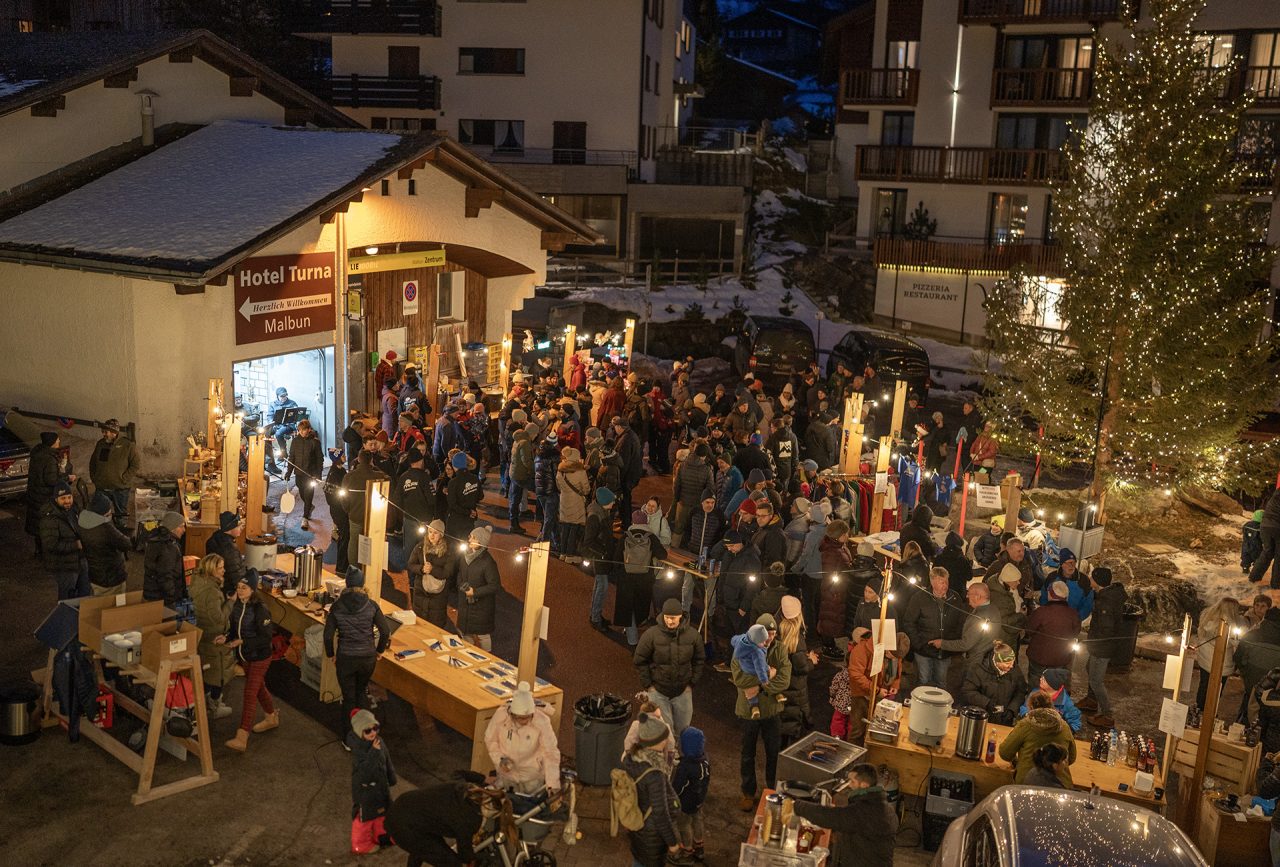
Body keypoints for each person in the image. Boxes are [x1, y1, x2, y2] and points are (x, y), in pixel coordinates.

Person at [732, 613, 791, 810]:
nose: (770, 639)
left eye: (773, 634)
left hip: (772, 710)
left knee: (773, 752)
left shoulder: (780, 649)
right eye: (767, 634)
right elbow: (739, 678)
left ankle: (772, 791)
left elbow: (784, 679)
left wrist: (760, 686)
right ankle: (748, 792)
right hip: (749, 711)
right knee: (747, 752)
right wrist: (768, 676)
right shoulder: (743, 647)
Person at [325, 566, 394, 733]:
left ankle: (349, 737)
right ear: (362, 584)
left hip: (346, 658)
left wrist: (331, 655)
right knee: (361, 692)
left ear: (347, 584)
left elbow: (327, 636)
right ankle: (366, 733)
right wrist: (379, 651)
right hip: (367, 658)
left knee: (348, 697)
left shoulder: (337, 606)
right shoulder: (371, 605)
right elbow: (385, 631)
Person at [792, 763, 898, 867]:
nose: (849, 785)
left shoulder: (865, 811)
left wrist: (796, 805)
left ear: (864, 785)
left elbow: (830, 817)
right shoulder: (883, 806)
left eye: (852, 782)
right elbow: (849, 819)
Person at [621, 713, 688, 867]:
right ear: (656, 741)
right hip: (651, 835)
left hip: (637, 826)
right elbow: (660, 813)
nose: (667, 740)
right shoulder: (655, 773)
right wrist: (672, 843)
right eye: (664, 738)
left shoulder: (632, 758)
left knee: (638, 861)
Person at [220, 570, 276, 752]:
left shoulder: (261, 609)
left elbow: (266, 637)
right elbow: (235, 630)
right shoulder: (238, 605)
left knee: (250, 693)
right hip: (245, 656)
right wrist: (226, 637)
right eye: (238, 587)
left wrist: (243, 642)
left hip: (260, 656)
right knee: (258, 689)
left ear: (252, 590)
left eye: (244, 588)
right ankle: (271, 717)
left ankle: (242, 736)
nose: (240, 591)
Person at [633, 598, 705, 738]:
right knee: (665, 734)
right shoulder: (651, 635)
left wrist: (691, 683)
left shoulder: (693, 636)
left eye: (673, 618)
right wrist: (649, 685)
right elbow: (640, 659)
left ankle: (677, 756)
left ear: (680, 617)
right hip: (659, 691)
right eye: (667, 617)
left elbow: (699, 659)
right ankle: (671, 758)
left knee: (683, 732)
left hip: (683, 691)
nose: (670, 621)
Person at [386, 780, 499, 867]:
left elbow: (458, 773)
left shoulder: (468, 788)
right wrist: (488, 857)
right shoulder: (469, 820)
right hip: (403, 827)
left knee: (425, 848)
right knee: (452, 863)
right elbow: (465, 855)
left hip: (403, 806)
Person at [484, 681, 560, 796]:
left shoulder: (542, 721)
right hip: (507, 776)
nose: (524, 721)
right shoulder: (501, 716)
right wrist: (500, 759)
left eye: (527, 717)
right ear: (512, 714)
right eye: (520, 718)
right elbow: (491, 740)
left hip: (532, 778)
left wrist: (552, 784)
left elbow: (550, 753)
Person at [903, 566, 965, 689]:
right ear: (932, 582)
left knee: (941, 682)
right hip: (923, 651)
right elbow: (909, 622)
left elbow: (960, 622)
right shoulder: (919, 598)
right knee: (923, 680)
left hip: (945, 651)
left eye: (947, 581)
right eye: (941, 582)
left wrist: (950, 642)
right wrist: (919, 644)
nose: (945, 585)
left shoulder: (955, 598)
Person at [1081, 566, 1128, 728]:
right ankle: (1091, 701)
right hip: (1100, 645)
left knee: (1096, 681)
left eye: (1092, 577)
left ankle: (1108, 715)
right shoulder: (1105, 595)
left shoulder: (1106, 603)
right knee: (1089, 668)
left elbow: (1106, 630)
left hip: (1102, 647)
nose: (1089, 579)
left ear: (1098, 581)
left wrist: (1091, 642)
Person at [189, 554, 235, 719]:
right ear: (211, 569)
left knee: (207, 671)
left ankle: (207, 704)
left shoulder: (198, 582)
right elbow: (219, 618)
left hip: (202, 633)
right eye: (221, 567)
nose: (224, 570)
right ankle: (214, 706)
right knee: (218, 674)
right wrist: (230, 602)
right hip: (214, 637)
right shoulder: (212, 592)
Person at [999, 690, 1076, 788]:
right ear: (1051, 706)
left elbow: (1005, 752)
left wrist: (1017, 761)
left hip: (1028, 784)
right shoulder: (1064, 726)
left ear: (1030, 707)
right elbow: (1072, 757)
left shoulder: (1025, 725)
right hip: (1061, 786)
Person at [347, 708, 396, 855]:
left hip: (381, 786)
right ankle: (360, 844)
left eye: (375, 728)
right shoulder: (358, 748)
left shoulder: (379, 741)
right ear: (359, 731)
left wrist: (391, 776)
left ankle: (381, 836)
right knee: (365, 817)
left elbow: (387, 759)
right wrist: (374, 752)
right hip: (365, 790)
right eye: (368, 731)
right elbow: (364, 772)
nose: (373, 733)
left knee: (383, 812)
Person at [848, 628, 909, 744]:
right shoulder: (861, 650)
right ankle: (854, 757)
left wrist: (895, 684)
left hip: (881, 695)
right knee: (858, 729)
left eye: (897, 657)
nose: (893, 658)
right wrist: (875, 690)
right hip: (862, 695)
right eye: (891, 654)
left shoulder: (895, 653)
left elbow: (898, 670)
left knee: (879, 727)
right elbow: (855, 675)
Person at [619, 509, 667, 646]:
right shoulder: (651, 537)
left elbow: (617, 556)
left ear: (633, 521)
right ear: (646, 522)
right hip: (645, 578)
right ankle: (644, 634)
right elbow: (663, 555)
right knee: (641, 605)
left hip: (628, 577)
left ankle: (632, 639)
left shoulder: (625, 536)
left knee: (629, 607)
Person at [935, 581, 1001, 677]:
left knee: (969, 689)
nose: (966, 596)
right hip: (986, 659)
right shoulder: (993, 608)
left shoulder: (980, 616)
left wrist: (942, 643)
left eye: (969, 593)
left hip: (976, 664)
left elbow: (966, 644)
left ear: (977, 596)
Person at [1023, 580, 1081, 688]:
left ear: (1050, 594)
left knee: (1036, 687)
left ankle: (1035, 702)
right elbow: (1075, 632)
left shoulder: (1041, 612)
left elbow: (1029, 630)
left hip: (1039, 658)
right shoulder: (1073, 614)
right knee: (1056, 689)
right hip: (1061, 658)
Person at [40, 480, 88, 600]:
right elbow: (50, 545)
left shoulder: (74, 509)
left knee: (85, 595)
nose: (67, 501)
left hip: (81, 560)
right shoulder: (49, 518)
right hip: (64, 565)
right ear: (56, 499)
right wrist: (75, 545)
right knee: (67, 599)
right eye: (63, 498)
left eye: (69, 497)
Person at [89, 418, 139, 532]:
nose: (103, 434)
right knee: (99, 515)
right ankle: (102, 540)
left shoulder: (128, 445)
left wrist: (124, 478)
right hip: (101, 487)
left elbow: (135, 465)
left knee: (120, 517)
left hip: (120, 489)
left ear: (114, 432)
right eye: (103, 432)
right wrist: (94, 477)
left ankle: (121, 539)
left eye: (106, 432)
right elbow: (93, 462)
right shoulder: (100, 444)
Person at [777, 597, 816, 742]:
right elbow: (801, 668)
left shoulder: (778, 631)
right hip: (795, 687)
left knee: (783, 717)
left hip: (781, 685)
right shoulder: (797, 639)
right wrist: (811, 660)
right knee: (792, 723)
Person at [960, 641, 1027, 726]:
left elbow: (1020, 691)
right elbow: (968, 691)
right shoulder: (978, 669)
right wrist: (987, 703)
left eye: (1012, 662)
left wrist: (1012, 710)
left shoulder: (1014, 670)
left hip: (1004, 720)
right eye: (1007, 663)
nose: (1011, 666)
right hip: (981, 719)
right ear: (997, 661)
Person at [457, 525, 502, 651]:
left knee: (483, 636)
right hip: (466, 603)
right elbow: (460, 574)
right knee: (466, 632)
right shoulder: (464, 557)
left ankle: (487, 657)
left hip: (482, 607)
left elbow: (495, 585)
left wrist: (475, 592)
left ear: (481, 543)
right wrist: (461, 585)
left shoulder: (488, 562)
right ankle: (467, 653)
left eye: (474, 538)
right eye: (470, 536)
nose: (470, 539)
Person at [1235, 604, 1280, 724]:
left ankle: (1242, 728)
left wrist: (1244, 671)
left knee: (1248, 703)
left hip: (1252, 676)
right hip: (1273, 683)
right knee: (1266, 709)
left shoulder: (1254, 633)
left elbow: (1238, 655)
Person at [343, 450, 388, 569]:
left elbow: (344, 498)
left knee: (354, 543)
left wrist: (348, 510)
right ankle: (370, 569)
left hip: (355, 515)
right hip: (373, 516)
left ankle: (353, 568)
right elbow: (388, 481)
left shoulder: (349, 476)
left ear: (358, 459)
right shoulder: (378, 476)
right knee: (372, 542)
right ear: (371, 461)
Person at [672, 726, 710, 863]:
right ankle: (699, 846)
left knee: (684, 824)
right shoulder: (705, 761)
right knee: (698, 820)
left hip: (685, 803)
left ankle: (687, 850)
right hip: (699, 800)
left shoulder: (685, 767)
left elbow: (678, 787)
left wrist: (672, 796)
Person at [79, 493, 130, 596]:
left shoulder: (82, 522)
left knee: (99, 603)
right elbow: (126, 544)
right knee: (115, 606)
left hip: (95, 575)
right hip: (111, 576)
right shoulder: (105, 528)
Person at [407, 520, 455, 628]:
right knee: (419, 625)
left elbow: (448, 572)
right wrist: (421, 569)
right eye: (430, 532)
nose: (432, 536)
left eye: (435, 533)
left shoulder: (448, 551)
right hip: (420, 591)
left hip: (438, 595)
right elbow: (410, 564)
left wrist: (432, 570)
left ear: (441, 535)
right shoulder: (420, 547)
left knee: (435, 627)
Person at [25, 431, 66, 554]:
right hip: (44, 497)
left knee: (38, 524)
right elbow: (51, 480)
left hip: (35, 495)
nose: (59, 442)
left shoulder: (38, 453)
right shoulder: (49, 458)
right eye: (57, 440)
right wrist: (66, 478)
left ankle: (39, 550)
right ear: (52, 443)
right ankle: (46, 552)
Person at [584, 487, 619, 631]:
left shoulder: (602, 510)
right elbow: (588, 541)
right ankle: (595, 618)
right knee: (601, 586)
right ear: (605, 502)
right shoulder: (595, 516)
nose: (613, 504)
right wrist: (603, 552)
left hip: (603, 555)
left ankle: (595, 615)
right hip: (600, 558)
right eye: (611, 502)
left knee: (600, 586)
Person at [284, 418, 324, 528]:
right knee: (302, 494)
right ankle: (309, 507)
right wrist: (289, 472)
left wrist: (318, 475)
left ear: (309, 429)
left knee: (308, 495)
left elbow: (319, 459)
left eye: (304, 430)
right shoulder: (295, 441)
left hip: (310, 475)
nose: (302, 432)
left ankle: (305, 518)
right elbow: (291, 457)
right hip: (299, 474)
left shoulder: (315, 442)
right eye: (300, 430)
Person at [1019, 668, 1082, 734]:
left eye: (1044, 679)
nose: (1040, 679)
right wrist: (1026, 715)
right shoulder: (1035, 692)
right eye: (1041, 677)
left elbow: (1075, 723)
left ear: (1052, 684)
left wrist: (1063, 732)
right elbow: (1024, 707)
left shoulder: (1066, 703)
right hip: (1034, 729)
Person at [142, 511, 186, 606]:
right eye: (181, 526)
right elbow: (165, 575)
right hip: (162, 597)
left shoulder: (156, 539)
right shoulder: (168, 547)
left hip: (152, 591)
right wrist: (172, 596)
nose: (184, 530)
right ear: (172, 528)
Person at [733, 624, 776, 720]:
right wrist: (767, 677)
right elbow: (760, 669)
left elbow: (734, 639)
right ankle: (755, 706)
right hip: (754, 670)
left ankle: (754, 706)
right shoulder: (757, 652)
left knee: (750, 691)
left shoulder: (742, 643)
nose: (767, 640)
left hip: (746, 669)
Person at [1039, 549, 1093, 621]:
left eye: (1074, 562)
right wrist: (1048, 614)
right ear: (1061, 564)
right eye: (1069, 563)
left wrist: (1077, 618)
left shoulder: (1083, 580)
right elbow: (1044, 596)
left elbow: (1088, 603)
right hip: (1052, 619)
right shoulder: (1052, 577)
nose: (1072, 566)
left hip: (1073, 621)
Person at [556, 446, 591, 557]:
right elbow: (586, 489)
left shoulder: (560, 470)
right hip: (576, 501)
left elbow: (558, 486)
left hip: (564, 499)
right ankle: (570, 554)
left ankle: (562, 552)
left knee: (565, 527)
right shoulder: (580, 471)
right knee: (574, 527)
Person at [206, 511, 247, 595]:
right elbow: (235, 575)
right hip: (228, 590)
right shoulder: (229, 548)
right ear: (230, 528)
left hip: (216, 587)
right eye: (238, 526)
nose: (241, 529)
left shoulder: (213, 539)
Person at [446, 451, 483, 543]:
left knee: (454, 546)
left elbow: (452, 504)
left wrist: (467, 511)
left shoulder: (453, 482)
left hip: (456, 521)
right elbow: (481, 496)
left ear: (455, 466)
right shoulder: (475, 478)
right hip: (470, 520)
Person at [1249, 490, 1280, 586]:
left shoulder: (1276, 494)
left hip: (1265, 526)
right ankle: (1276, 584)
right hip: (1277, 527)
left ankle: (1254, 577)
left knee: (1267, 552)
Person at [508, 427, 534, 534]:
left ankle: (513, 523)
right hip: (521, 475)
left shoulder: (516, 441)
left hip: (514, 473)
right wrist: (533, 471)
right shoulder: (524, 443)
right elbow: (526, 460)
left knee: (514, 499)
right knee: (539, 492)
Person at [934, 531, 973, 596]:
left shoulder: (939, 558)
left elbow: (934, 573)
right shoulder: (963, 560)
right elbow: (969, 577)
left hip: (941, 592)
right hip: (958, 594)